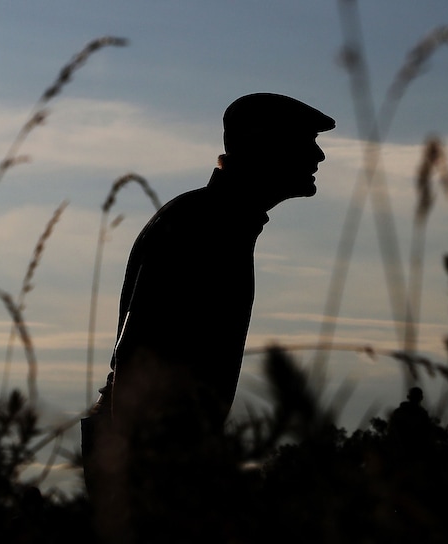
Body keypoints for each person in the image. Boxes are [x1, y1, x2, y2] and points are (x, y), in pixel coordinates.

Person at [86, 93, 334, 541]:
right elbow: (137, 354)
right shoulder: (201, 224)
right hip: (155, 470)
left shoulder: (219, 221)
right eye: (305, 141)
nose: (318, 155)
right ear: (262, 146)